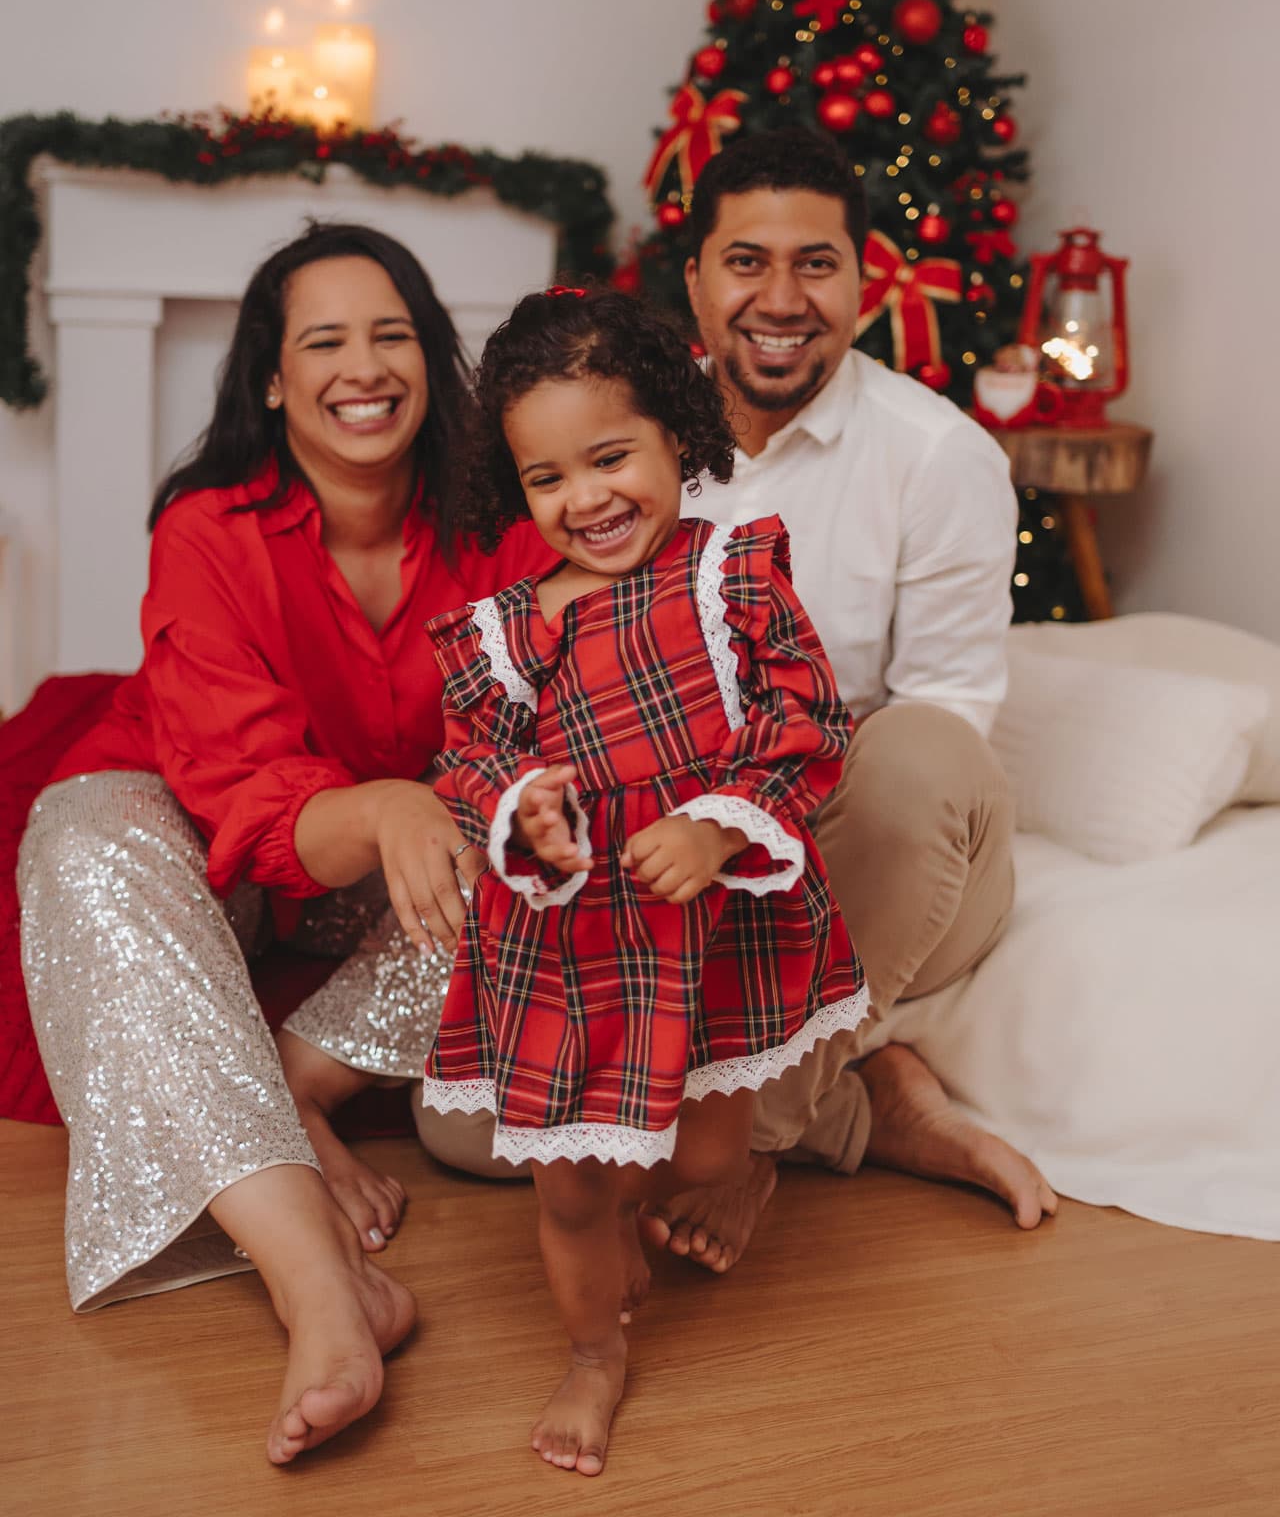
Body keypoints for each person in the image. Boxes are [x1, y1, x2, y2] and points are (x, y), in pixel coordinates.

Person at [16, 223, 549, 1465]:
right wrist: (377, 808)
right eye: (323, 342)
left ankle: (299, 1082)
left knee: (540, 823)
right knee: (76, 830)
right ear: (271, 377)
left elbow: (547, 720)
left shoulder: (500, 520)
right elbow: (236, 783)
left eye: (390, 335)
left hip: (392, 889)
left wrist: (441, 803)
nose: (362, 368)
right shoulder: (208, 529)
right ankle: (324, 1288)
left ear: (431, 360)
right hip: (213, 829)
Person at [417, 288, 868, 1474]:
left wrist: (720, 830)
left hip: (706, 927)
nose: (586, 500)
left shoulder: (732, 577)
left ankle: (730, 1180)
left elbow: (808, 719)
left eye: (611, 457)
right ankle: (590, 1353)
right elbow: (464, 761)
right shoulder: (506, 631)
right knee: (571, 1189)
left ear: (677, 434)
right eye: (546, 479)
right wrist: (527, 814)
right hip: (569, 940)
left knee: (707, 1160)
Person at [636, 125, 1059, 1274]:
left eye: (814, 263)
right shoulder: (633, 443)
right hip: (691, 847)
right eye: (745, 261)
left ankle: (750, 1142)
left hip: (878, 848)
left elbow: (946, 725)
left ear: (861, 283)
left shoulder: (937, 456)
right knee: (458, 1131)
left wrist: (757, 834)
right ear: (695, 281)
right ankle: (876, 1106)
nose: (780, 297)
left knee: (917, 748)